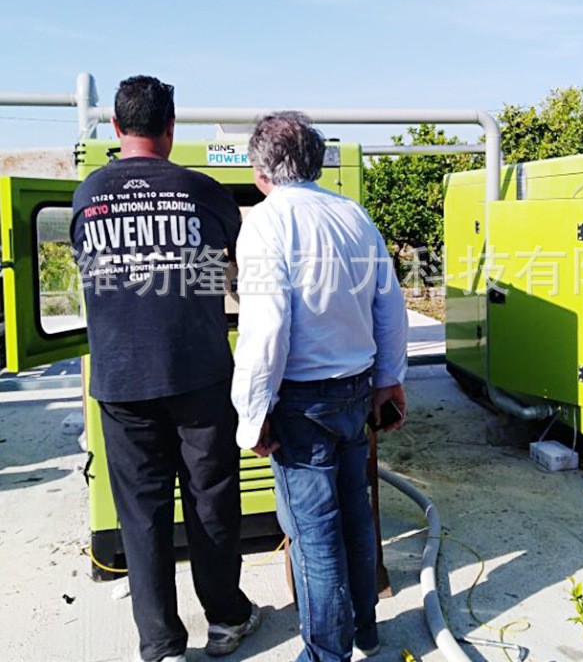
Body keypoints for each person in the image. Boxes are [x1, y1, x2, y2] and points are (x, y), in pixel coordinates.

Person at [70, 76, 261, 662]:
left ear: (116, 127)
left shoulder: (87, 196)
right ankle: (226, 620)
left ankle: (160, 644)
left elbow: (91, 268)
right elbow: (240, 263)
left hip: (122, 383)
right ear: (171, 128)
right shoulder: (203, 192)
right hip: (200, 377)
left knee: (141, 515)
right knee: (211, 501)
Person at [231, 111, 408, 662]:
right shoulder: (353, 215)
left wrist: (253, 413)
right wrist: (389, 380)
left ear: (260, 171)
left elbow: (266, 329)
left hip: (301, 402)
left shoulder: (266, 222)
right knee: (356, 515)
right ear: (316, 163)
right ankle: (364, 630)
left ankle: (326, 654)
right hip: (355, 391)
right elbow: (390, 305)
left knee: (315, 536)